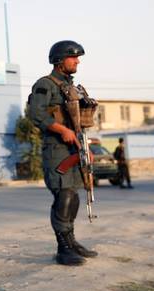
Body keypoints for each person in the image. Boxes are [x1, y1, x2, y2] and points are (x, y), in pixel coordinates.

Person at [27, 40, 99, 267]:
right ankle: (62, 249)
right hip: (56, 148)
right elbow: (36, 114)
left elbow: (79, 124)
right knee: (64, 196)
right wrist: (61, 130)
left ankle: (71, 242)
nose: (77, 61)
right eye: (73, 57)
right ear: (60, 60)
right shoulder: (45, 85)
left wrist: (85, 146)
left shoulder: (73, 88)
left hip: (74, 146)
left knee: (74, 196)